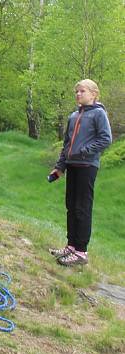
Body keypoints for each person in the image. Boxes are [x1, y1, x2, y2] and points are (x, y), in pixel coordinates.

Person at [48, 79, 112, 267]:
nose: (78, 94)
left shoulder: (99, 114)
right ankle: (71, 247)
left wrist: (84, 151)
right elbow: (67, 144)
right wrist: (60, 166)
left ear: (93, 94)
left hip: (87, 167)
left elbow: (105, 139)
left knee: (82, 208)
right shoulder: (74, 116)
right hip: (72, 166)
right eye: (76, 91)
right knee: (71, 206)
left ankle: (81, 252)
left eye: (82, 91)